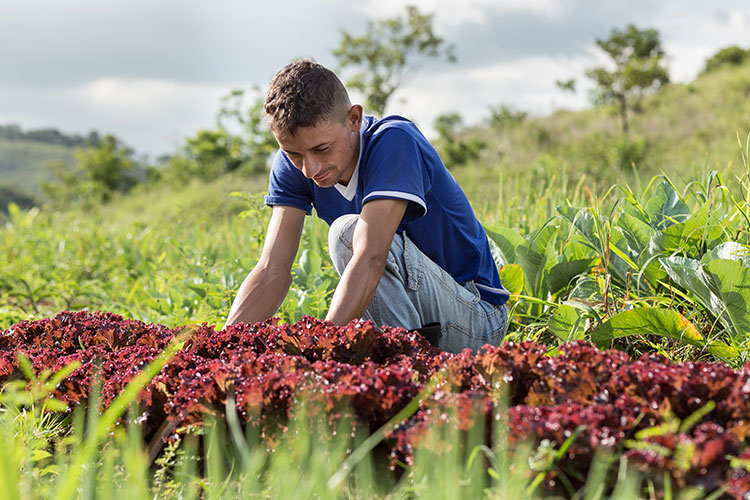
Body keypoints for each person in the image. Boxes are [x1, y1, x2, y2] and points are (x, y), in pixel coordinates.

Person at [224, 59, 509, 353]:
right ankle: (400, 369)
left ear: (354, 119)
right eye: (294, 154)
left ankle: (407, 371)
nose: (309, 168)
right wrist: (220, 348)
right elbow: (272, 268)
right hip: (413, 311)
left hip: (475, 316)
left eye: (321, 149)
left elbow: (370, 256)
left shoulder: (395, 141)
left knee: (347, 233)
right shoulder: (293, 165)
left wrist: (321, 352)